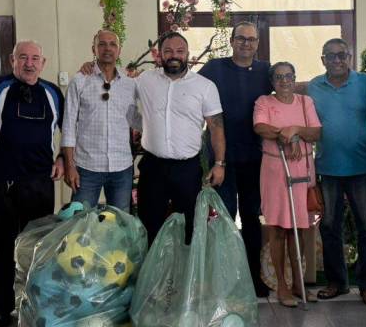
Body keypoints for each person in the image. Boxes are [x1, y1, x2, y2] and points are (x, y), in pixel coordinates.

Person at [0, 41, 64, 327]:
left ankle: (34, 305)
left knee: (38, 247)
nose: (29, 63)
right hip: (3, 180)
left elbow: (69, 130)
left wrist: (62, 158)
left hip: (41, 181)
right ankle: (1, 305)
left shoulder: (53, 92)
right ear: (13, 60)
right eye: (23, 57)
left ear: (43, 63)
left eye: (35, 58)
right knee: (2, 245)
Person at [307, 38, 366, 305]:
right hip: (327, 169)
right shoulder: (313, 87)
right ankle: (337, 282)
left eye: (342, 55)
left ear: (350, 57)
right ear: (323, 60)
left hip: (362, 168)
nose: (337, 60)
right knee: (330, 227)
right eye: (331, 56)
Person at [199, 21, 272, 297]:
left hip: (255, 157)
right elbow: (189, 88)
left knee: (252, 218)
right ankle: (225, 280)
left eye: (251, 39)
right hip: (222, 158)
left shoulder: (265, 71)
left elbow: (288, 87)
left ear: (257, 44)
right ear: (231, 41)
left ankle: (254, 278)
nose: (246, 43)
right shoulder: (214, 68)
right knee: (224, 218)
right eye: (241, 38)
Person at [135, 32, 225, 245]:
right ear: (160, 55)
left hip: (187, 170)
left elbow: (216, 128)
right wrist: (92, 66)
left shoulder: (205, 86)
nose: (174, 55)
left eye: (179, 51)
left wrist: (219, 163)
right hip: (153, 167)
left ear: (187, 54)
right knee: (149, 224)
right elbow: (119, 91)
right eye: (168, 51)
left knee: (189, 227)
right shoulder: (144, 80)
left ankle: (185, 266)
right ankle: (152, 266)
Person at [254, 61, 322, 307]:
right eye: (279, 77)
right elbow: (261, 127)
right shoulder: (264, 102)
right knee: (277, 229)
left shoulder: (305, 102)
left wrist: (295, 130)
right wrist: (290, 137)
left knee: (298, 229)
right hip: (275, 171)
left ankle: (298, 284)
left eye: (289, 76)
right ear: (272, 81)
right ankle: (282, 287)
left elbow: (315, 132)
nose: (284, 81)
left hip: (301, 171)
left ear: (294, 78)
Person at [62, 29, 138, 211]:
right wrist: (69, 166)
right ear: (93, 49)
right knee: (81, 222)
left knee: (119, 222)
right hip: (86, 167)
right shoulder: (79, 81)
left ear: (119, 50)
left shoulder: (130, 84)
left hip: (122, 167)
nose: (108, 48)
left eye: (113, 44)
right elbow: (68, 127)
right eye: (102, 44)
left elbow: (134, 119)